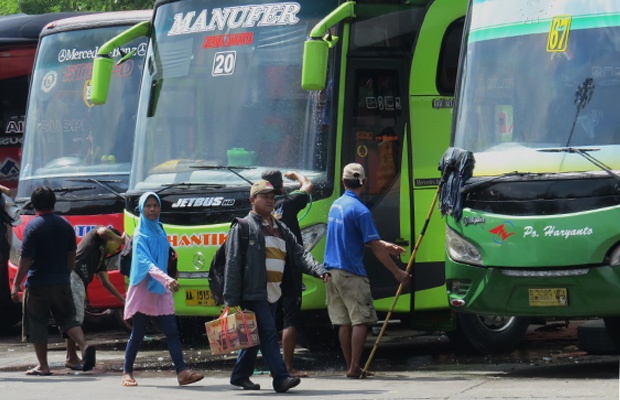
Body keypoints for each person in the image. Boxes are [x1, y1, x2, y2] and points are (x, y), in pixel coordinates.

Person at [223, 180, 330, 393]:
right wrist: (230, 301)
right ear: (253, 200)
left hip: (274, 292)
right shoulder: (243, 227)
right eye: (264, 196)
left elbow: (299, 254)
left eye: (272, 197)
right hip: (253, 293)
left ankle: (240, 375)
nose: (270, 200)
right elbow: (232, 263)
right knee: (269, 332)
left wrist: (318, 269)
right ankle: (281, 378)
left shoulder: (280, 227)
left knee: (256, 337)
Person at [323, 163, 411, 378]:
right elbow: (374, 248)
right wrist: (397, 272)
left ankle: (350, 366)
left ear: (344, 182)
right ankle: (354, 367)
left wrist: (386, 245)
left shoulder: (336, 205)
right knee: (360, 320)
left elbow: (355, 237)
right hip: (351, 273)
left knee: (343, 321)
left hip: (332, 272)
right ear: (364, 182)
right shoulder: (361, 211)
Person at [10, 186, 96, 375]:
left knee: (37, 323)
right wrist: (65, 273)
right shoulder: (65, 224)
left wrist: (16, 284)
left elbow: (25, 259)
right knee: (67, 319)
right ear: (54, 203)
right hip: (61, 281)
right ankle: (84, 346)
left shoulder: (32, 226)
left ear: (33, 205)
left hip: (38, 283)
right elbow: (72, 253)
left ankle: (43, 365)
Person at [121, 192, 203, 387]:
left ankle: (182, 373)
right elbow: (145, 263)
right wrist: (166, 279)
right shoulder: (140, 234)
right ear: (141, 209)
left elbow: (168, 255)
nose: (152, 209)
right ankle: (126, 373)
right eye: (148, 206)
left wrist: (172, 275)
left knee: (172, 332)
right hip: (143, 289)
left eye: (155, 206)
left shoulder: (160, 229)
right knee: (138, 333)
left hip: (161, 287)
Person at [261, 169, 312, 377]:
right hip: (289, 268)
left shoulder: (260, 208)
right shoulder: (289, 202)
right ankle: (287, 367)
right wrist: (297, 176)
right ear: (280, 185)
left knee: (270, 318)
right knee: (290, 318)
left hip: (269, 268)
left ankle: (273, 365)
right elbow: (308, 186)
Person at [64, 226, 126, 370]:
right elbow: (103, 231)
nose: (117, 248)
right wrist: (120, 239)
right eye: (117, 245)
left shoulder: (102, 258)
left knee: (74, 317)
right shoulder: (96, 237)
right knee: (75, 318)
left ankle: (71, 357)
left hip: (79, 281)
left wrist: (123, 300)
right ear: (112, 239)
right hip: (74, 275)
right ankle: (73, 355)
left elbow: (106, 282)